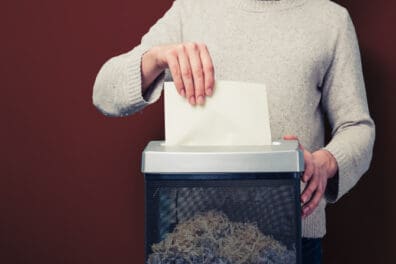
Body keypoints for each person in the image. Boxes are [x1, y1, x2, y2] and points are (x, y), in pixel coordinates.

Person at [92, 0, 375, 262]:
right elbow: (104, 94)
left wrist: (326, 163)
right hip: (195, 239)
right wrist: (155, 58)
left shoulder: (331, 20)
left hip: (293, 236)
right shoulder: (191, 10)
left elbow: (357, 127)